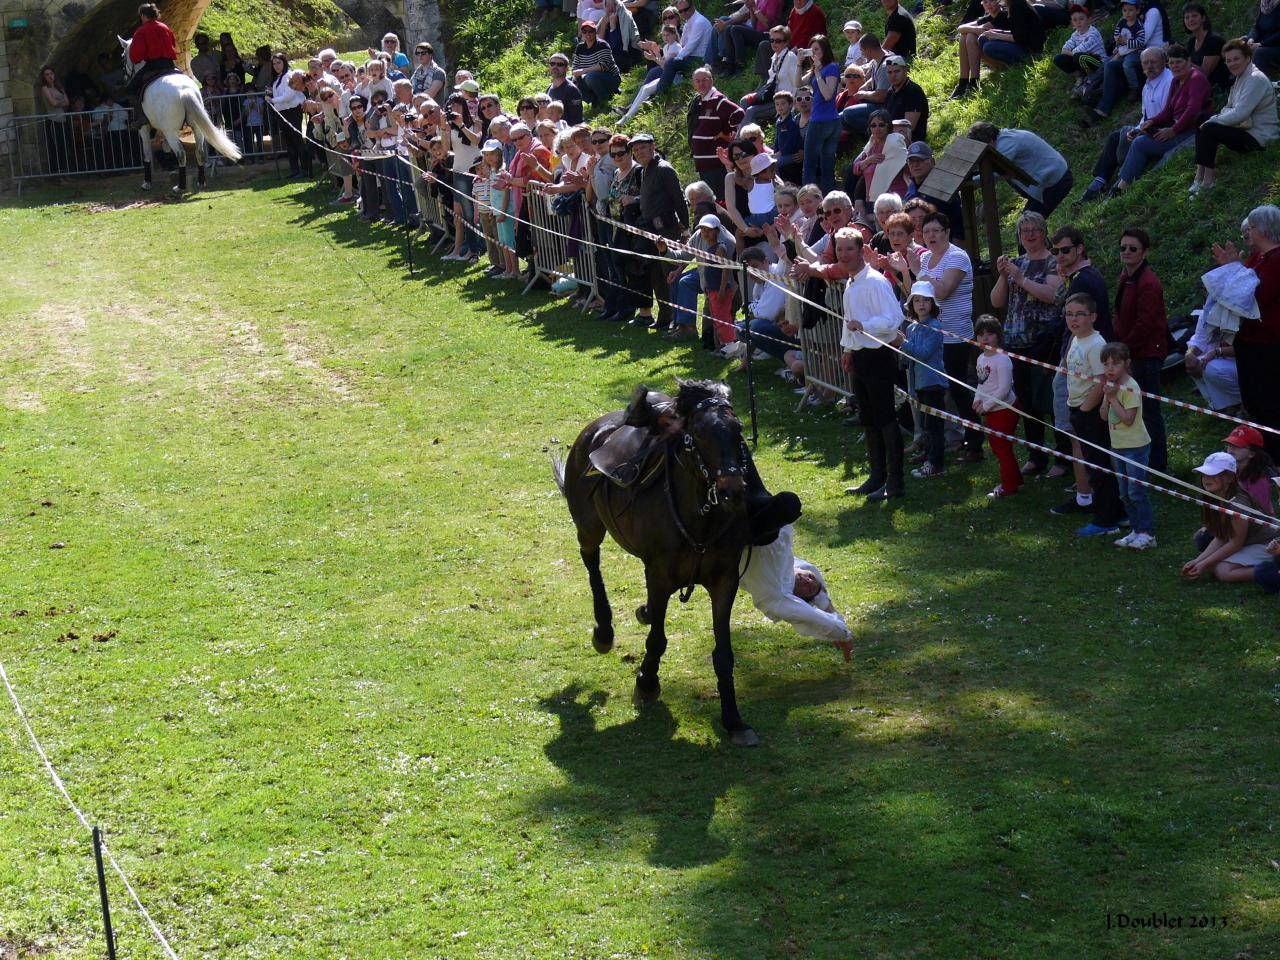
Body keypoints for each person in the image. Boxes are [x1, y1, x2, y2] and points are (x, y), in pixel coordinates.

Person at [990, 212, 1064, 475]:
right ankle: (1036, 455)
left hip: (1044, 342)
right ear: (1019, 236)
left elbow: (1052, 295)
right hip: (1015, 341)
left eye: (1035, 229)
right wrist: (1003, 276)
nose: (1030, 235)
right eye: (1025, 231)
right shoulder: (1016, 262)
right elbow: (997, 302)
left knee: (1051, 400)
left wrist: (1020, 279)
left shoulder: (1054, 263)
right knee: (1027, 402)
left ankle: (1063, 458)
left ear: (1044, 232)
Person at [838, 227, 907, 501]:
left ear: (860, 250)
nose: (844, 255)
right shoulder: (851, 282)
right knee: (868, 418)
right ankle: (877, 475)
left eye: (849, 249)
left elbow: (894, 319)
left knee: (885, 418)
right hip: (860, 358)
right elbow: (848, 320)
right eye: (840, 249)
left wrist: (864, 326)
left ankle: (895, 481)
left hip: (878, 357)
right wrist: (847, 348)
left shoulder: (876, 281)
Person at [917, 211, 982, 462]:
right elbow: (922, 294)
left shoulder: (957, 256)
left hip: (954, 335)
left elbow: (942, 292)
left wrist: (917, 272)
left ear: (946, 232)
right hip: (932, 334)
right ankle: (936, 446)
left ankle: (975, 443)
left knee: (957, 390)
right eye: (926, 232)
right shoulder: (926, 260)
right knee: (932, 392)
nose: (931, 236)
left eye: (935, 230)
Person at [1062, 293, 1125, 537]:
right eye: (1069, 314)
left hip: (1090, 412)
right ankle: (1116, 510)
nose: (1074, 319)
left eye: (1080, 314)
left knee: (1098, 465)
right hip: (1077, 406)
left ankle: (1106, 519)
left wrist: (1086, 408)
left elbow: (1102, 381)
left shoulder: (1096, 344)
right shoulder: (1076, 340)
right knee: (1093, 462)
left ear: (1093, 317)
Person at [738, 523, 853, 652]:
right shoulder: (789, 558)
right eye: (811, 577)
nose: (808, 581)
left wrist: (843, 634)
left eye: (808, 589)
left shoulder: (778, 593)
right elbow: (808, 568)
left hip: (742, 533)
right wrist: (827, 606)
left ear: (796, 598)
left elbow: (811, 616)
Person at [1222, 206, 1280, 460]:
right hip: (1247, 340)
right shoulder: (1258, 257)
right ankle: (1262, 454)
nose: (1249, 232)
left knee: (1268, 401)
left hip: (1266, 343)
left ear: (1265, 229)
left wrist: (1233, 270)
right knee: (1253, 401)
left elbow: (1255, 297)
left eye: (1252, 228)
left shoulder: (1276, 260)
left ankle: (1275, 456)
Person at [1112, 227, 1168, 473]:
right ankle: (1141, 459)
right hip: (1131, 350)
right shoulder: (1127, 276)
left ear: (1145, 252)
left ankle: (1157, 463)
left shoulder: (1149, 282)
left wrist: (1124, 350)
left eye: (1132, 248)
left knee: (1148, 410)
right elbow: (1121, 313)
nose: (1126, 252)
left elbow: (1145, 323)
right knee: (1136, 408)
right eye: (1123, 247)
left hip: (1146, 354)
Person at [1190, 39, 1279, 195]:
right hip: (1244, 128)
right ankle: (1200, 173)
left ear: (1247, 58)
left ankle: (1208, 181)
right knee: (1201, 118)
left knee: (1210, 127)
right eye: (1228, 61)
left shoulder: (1254, 78)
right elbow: (1228, 108)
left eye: (1236, 59)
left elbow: (1240, 114)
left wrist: (1214, 121)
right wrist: (1213, 119)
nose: (1232, 64)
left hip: (1259, 137)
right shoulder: (1240, 78)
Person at [1181, 452, 1276, 583]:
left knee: (1223, 571)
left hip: (1266, 543)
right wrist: (1199, 561)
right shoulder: (1215, 497)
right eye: (1204, 474)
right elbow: (1222, 536)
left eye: (1214, 474)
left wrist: (1203, 564)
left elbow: (1235, 543)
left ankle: (1271, 571)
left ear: (1230, 478)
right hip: (1247, 542)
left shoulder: (1237, 505)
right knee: (1212, 564)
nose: (1207, 478)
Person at [1099, 342, 1157, 549]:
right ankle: (1135, 529)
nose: (1110, 369)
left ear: (1126, 364)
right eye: (1106, 364)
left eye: (1115, 364)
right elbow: (1104, 416)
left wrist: (1113, 397)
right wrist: (1107, 397)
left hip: (1136, 447)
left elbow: (1128, 419)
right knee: (1124, 492)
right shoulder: (1110, 387)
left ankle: (1148, 533)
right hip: (1118, 446)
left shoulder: (1130, 387)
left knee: (1136, 491)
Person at [895, 280, 948, 479]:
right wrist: (900, 344)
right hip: (919, 383)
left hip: (933, 383)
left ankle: (937, 464)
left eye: (926, 300)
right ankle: (928, 454)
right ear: (911, 305)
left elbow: (923, 354)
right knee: (926, 424)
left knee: (935, 426)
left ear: (933, 304)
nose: (921, 304)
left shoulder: (934, 327)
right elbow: (910, 357)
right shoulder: (913, 328)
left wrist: (904, 344)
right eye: (917, 300)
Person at [966, 121, 1072, 219]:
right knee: (1026, 227)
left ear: (991, 141)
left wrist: (967, 183)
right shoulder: (1003, 138)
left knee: (1027, 226)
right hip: (1049, 180)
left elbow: (992, 173)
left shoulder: (1007, 146)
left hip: (1056, 182)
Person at [973, 316, 1021, 498]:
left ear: (998, 336)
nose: (985, 338)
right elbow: (981, 383)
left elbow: (1004, 389)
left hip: (1004, 409)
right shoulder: (980, 359)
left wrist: (986, 405)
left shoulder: (1002, 360)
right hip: (991, 409)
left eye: (990, 334)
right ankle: (1016, 479)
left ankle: (1009, 487)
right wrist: (977, 399)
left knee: (1001, 447)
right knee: (998, 445)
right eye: (981, 334)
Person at [1087, 0, 1147, 123]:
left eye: (1130, 10)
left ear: (1137, 10)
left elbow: (1141, 42)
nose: (1127, 13)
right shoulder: (1122, 21)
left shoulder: (1139, 26)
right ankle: (1098, 94)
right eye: (1125, 10)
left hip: (1135, 53)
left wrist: (1125, 42)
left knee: (1127, 64)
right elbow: (1116, 33)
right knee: (1108, 64)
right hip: (1123, 51)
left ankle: (1134, 88)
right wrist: (1118, 41)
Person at [688, 67, 744, 198]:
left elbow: (739, 113)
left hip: (716, 163)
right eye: (697, 81)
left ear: (711, 81)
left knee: (721, 200)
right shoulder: (699, 101)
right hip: (704, 163)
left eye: (704, 80)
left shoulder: (718, 100)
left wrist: (726, 134)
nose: (701, 84)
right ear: (693, 83)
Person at [737, 25, 799, 130]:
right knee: (744, 101)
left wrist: (792, 108)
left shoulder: (790, 58)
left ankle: (741, 141)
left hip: (783, 101)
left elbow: (796, 84)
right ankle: (746, 132)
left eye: (778, 41)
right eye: (772, 40)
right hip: (770, 96)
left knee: (751, 110)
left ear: (786, 42)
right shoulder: (775, 57)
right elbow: (770, 82)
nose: (774, 43)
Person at [800, 34, 841, 193]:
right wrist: (799, 64)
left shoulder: (831, 67)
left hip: (821, 122)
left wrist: (817, 73)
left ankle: (807, 199)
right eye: (811, 50)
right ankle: (821, 199)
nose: (814, 53)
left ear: (825, 49)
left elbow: (828, 95)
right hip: (828, 121)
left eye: (816, 49)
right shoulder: (816, 69)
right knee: (826, 164)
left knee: (811, 165)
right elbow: (797, 83)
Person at [620, 23, 682, 122]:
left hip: (675, 78)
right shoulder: (666, 47)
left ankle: (628, 117)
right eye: (664, 35)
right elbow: (663, 63)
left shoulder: (676, 47)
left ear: (674, 35)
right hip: (667, 75)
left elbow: (666, 67)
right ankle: (628, 114)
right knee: (644, 87)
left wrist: (655, 54)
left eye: (668, 35)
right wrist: (654, 57)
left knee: (646, 89)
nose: (666, 37)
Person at [125, 3, 177, 116]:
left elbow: (136, 56)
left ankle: (142, 117)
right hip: (170, 65)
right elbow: (173, 44)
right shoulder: (165, 27)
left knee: (130, 90)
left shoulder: (141, 31)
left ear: (143, 15)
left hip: (153, 66)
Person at [1222, 425, 1278, 514]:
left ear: (1252, 454)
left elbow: (1264, 514)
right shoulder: (1226, 470)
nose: (1231, 448)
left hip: (1257, 524)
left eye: (1238, 445)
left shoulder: (1258, 481)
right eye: (1230, 444)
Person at [1052, 3, 1105, 95]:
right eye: (1075, 20)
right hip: (1083, 59)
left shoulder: (1093, 33)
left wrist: (1072, 53)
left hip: (1100, 63)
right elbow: (1064, 49)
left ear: (1089, 19)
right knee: (1058, 59)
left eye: (1081, 19)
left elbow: (1078, 51)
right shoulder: (1075, 34)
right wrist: (1072, 53)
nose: (1078, 22)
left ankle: (1090, 78)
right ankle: (1080, 76)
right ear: (1072, 22)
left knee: (1079, 57)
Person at [573, 20, 622, 108]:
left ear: (595, 32)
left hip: (611, 78)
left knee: (590, 77)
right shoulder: (580, 47)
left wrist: (583, 71)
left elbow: (603, 65)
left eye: (591, 31)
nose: (587, 34)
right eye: (584, 31)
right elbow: (575, 66)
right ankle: (593, 99)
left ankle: (606, 98)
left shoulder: (602, 45)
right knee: (569, 81)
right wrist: (575, 76)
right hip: (589, 77)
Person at [1183, 3, 1227, 88]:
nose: (1190, 20)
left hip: (1216, 88)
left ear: (1203, 18)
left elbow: (1205, 73)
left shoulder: (1214, 40)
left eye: (1194, 16)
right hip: (1197, 85)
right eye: (1187, 17)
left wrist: (1183, 61)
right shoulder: (1191, 41)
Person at [545, 53, 584, 126]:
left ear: (567, 68)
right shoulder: (548, 88)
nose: (555, 66)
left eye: (559, 64)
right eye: (552, 63)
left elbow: (577, 120)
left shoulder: (572, 90)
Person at [1248, 0, 1280, 77]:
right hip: (1264, 42)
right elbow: (1257, 27)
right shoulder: (1264, 5)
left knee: (1259, 52)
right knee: (1242, 42)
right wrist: (1251, 38)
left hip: (1276, 45)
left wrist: (1261, 44)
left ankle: (1259, 84)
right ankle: (1234, 82)